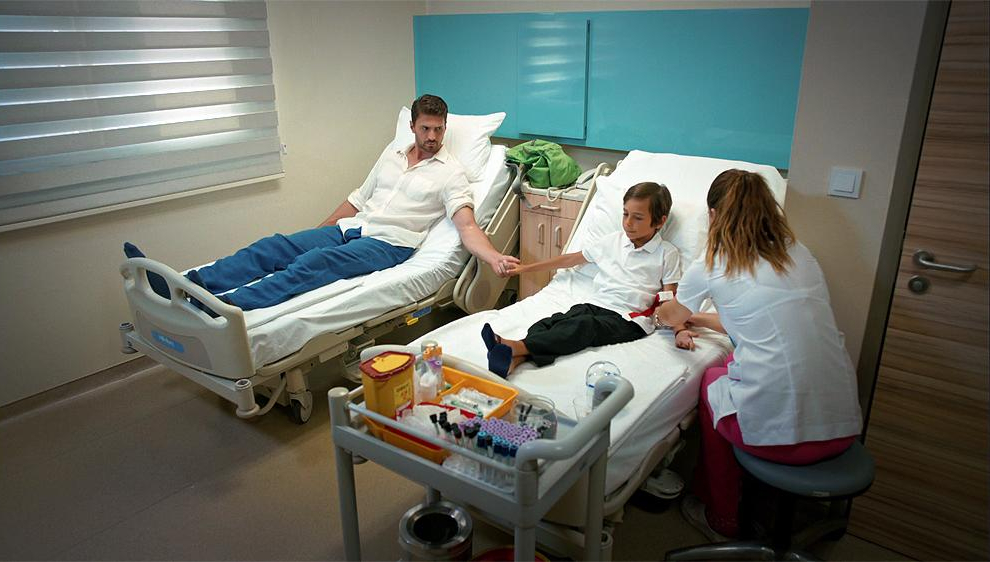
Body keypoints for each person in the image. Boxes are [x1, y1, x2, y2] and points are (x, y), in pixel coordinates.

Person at [125, 94, 519, 314]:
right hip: (350, 230)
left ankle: (223, 307)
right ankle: (188, 285)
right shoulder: (392, 155)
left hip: (389, 245)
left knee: (313, 264)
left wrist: (493, 257)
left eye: (439, 129)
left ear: (445, 128)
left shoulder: (451, 173)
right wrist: (316, 233)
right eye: (426, 128)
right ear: (413, 126)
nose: (432, 136)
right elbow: (356, 200)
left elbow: (467, 226)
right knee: (274, 247)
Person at [654, 169, 863, 540]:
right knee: (732, 367)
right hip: (842, 424)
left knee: (712, 382)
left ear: (713, 215)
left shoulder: (711, 263)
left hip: (783, 442)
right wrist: (697, 318)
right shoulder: (798, 254)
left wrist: (665, 308)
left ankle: (722, 515)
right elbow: (750, 322)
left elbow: (672, 316)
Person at [481, 182, 691, 377]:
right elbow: (570, 259)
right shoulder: (613, 241)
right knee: (550, 323)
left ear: (660, 221)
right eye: (625, 214)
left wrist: (679, 330)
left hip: (629, 318)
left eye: (637, 217)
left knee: (583, 326)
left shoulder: (666, 253)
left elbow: (669, 298)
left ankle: (513, 346)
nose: (628, 223)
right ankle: (515, 360)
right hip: (596, 305)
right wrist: (525, 268)